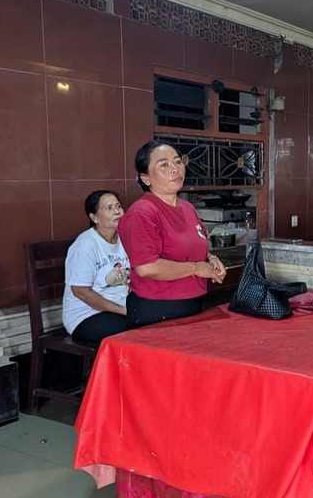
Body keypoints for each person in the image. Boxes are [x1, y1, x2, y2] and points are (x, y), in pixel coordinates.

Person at [118, 141, 226, 328]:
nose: (175, 169)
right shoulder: (141, 213)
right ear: (146, 178)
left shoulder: (188, 208)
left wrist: (211, 259)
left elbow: (193, 245)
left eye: (177, 161)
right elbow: (147, 267)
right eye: (164, 165)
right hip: (157, 309)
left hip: (193, 302)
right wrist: (197, 268)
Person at [63, 190, 130, 347]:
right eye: (109, 208)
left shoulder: (125, 238)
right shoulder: (85, 244)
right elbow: (80, 291)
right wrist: (122, 310)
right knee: (133, 331)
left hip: (120, 308)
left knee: (154, 319)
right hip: (87, 315)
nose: (117, 211)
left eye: (118, 206)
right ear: (94, 218)